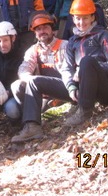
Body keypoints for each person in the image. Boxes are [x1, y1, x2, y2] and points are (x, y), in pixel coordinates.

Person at [60, 0, 108, 126]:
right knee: (36, 82)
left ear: (93, 17)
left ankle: (84, 111)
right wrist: (71, 87)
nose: (81, 23)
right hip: (80, 88)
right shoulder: (72, 41)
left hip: (105, 90)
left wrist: (87, 69)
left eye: (85, 18)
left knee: (86, 61)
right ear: (73, 18)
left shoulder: (103, 35)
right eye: (78, 18)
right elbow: (66, 68)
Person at [10, 12, 69, 143]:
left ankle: (33, 127)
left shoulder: (64, 45)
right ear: (34, 32)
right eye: (38, 29)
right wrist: (29, 80)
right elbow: (23, 69)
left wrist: (34, 82)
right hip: (43, 95)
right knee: (16, 85)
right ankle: (31, 122)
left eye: (45, 27)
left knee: (35, 81)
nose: (42, 31)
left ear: (52, 29)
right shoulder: (33, 50)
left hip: (65, 88)